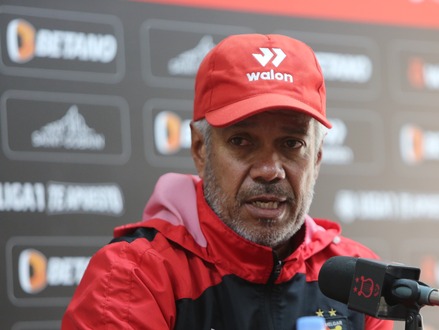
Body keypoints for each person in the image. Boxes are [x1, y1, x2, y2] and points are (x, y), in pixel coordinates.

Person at [62, 34, 393, 330]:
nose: (268, 170)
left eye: (292, 144)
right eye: (241, 141)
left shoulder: (359, 276)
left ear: (317, 157)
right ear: (199, 150)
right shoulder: (132, 275)